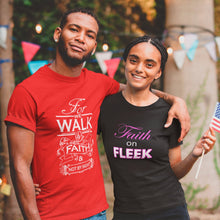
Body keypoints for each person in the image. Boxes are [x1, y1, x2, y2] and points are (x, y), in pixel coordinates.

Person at [5, 9, 190, 220]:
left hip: (96, 212)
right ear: (58, 34)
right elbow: (19, 165)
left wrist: (175, 100)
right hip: (51, 213)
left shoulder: (100, 84)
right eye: (74, 29)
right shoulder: (27, 91)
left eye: (90, 35)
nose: (81, 38)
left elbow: (139, 88)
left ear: (94, 47)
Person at [97, 35, 216, 220]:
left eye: (149, 64)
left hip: (169, 210)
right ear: (125, 62)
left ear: (159, 72)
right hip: (126, 212)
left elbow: (175, 171)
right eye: (133, 60)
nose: (139, 69)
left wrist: (194, 154)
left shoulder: (170, 113)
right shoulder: (106, 107)